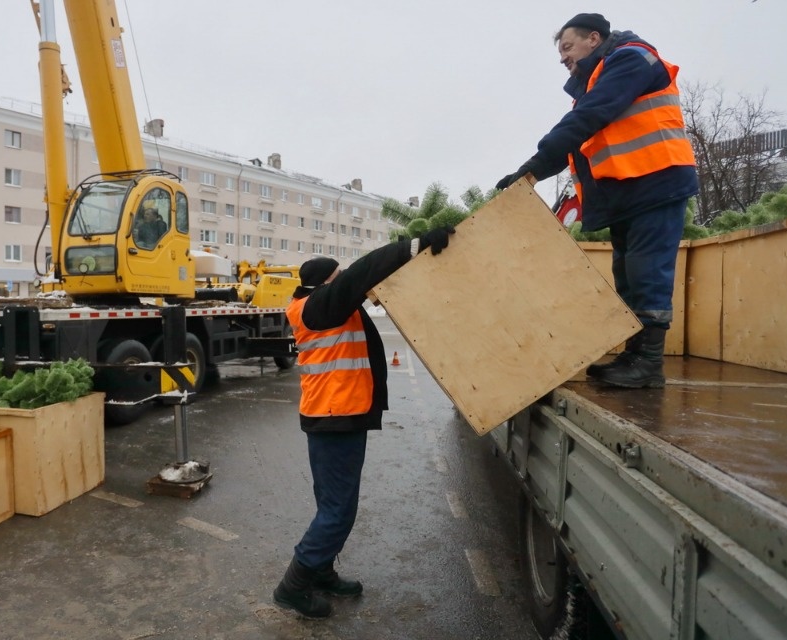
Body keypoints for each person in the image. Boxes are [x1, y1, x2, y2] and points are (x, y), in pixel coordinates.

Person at [495, 13, 698, 389]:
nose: (563, 58)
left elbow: (591, 116)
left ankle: (649, 364)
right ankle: (636, 356)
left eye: (567, 47)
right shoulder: (597, 83)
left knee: (647, 275)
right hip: (630, 193)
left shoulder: (632, 58)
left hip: (656, 183)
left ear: (593, 38)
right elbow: (578, 136)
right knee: (629, 278)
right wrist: (531, 171)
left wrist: (537, 163)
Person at [273, 225, 455, 619]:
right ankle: (293, 585)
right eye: (338, 279)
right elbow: (363, 272)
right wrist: (415, 244)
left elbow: (363, 286)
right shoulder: (319, 305)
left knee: (333, 504)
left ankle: (320, 571)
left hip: (334, 415)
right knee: (338, 511)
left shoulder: (325, 307)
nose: (345, 284)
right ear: (326, 282)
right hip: (335, 416)